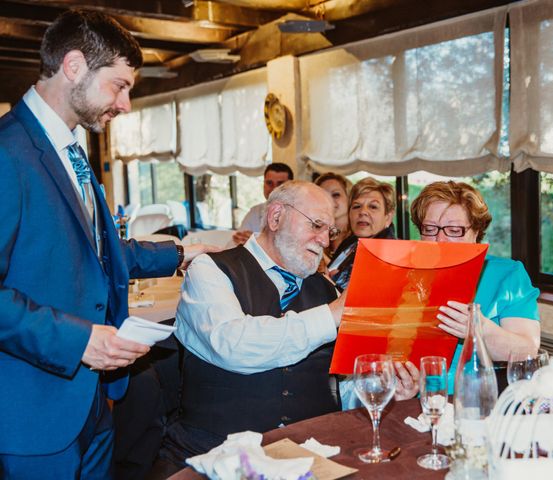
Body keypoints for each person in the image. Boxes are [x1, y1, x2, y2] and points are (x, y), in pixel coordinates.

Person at [0, 10, 212, 478]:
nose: (126, 104)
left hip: (94, 402)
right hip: (30, 414)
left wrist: (183, 252)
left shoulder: (72, 150)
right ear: (73, 66)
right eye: (119, 85)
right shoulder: (6, 154)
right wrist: (79, 341)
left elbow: (95, 255)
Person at [153, 181, 346, 475]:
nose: (324, 240)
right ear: (276, 216)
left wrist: (392, 385)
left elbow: (342, 382)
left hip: (309, 453)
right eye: (317, 225)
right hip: (212, 453)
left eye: (330, 231)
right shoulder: (210, 270)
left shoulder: (327, 291)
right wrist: (331, 316)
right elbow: (233, 344)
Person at [394, 180, 541, 398]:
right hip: (419, 401)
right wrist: (402, 383)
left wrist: (479, 329)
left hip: (481, 400)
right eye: (430, 229)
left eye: (454, 230)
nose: (440, 239)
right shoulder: (401, 274)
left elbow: (527, 350)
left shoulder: (507, 275)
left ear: (477, 231)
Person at [329, 177, 396, 291]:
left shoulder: (390, 255)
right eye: (356, 206)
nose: (363, 212)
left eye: (373, 207)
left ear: (388, 217)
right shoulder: (350, 242)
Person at [230, 162, 294, 246]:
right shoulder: (254, 212)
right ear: (264, 184)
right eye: (269, 183)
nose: (274, 188)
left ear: (291, 186)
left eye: (280, 184)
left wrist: (257, 241)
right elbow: (237, 241)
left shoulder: (301, 213)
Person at [314, 172, 352, 257]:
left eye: (336, 195)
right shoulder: (313, 236)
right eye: (323, 196)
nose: (329, 201)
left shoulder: (359, 237)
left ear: (349, 198)